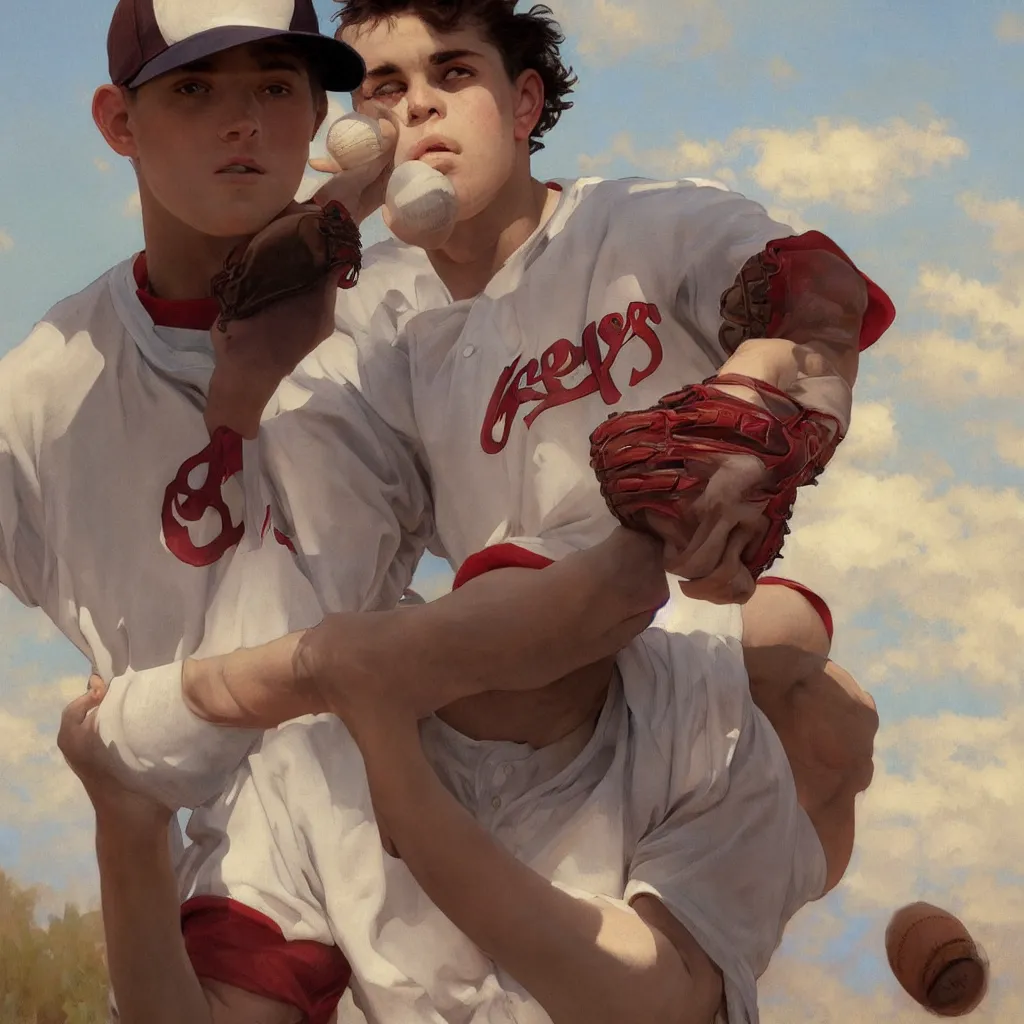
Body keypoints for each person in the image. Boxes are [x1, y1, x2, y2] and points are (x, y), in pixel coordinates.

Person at [0, 0, 665, 830]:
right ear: (119, 120)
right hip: (203, 867)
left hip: (424, 822)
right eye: (195, 88)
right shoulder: (36, 395)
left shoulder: (415, 314)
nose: (242, 122)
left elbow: (571, 569)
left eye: (276, 88)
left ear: (321, 115)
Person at [60, 551, 876, 1024]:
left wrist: (399, 778)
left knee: (815, 697)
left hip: (747, 778)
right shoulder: (306, 757)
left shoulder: (712, 703)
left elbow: (651, 1002)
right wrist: (126, 826)